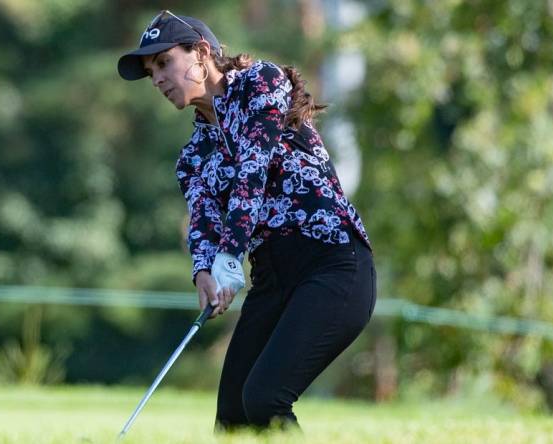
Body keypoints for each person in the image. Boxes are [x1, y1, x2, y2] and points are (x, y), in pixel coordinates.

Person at [117, 10, 376, 431]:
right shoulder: (192, 158)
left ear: (201, 53)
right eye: (151, 73)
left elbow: (252, 171)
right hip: (273, 277)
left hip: (332, 264)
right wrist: (204, 271)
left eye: (164, 63)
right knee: (233, 418)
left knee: (265, 398)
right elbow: (203, 222)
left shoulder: (263, 84)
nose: (158, 80)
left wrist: (231, 253)